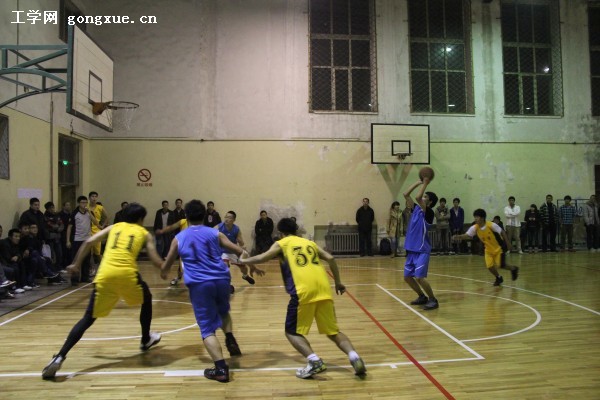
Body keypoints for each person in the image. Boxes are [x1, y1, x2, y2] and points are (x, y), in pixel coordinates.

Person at [41, 203, 164, 380]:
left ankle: (60, 356)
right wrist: (165, 265)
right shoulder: (144, 233)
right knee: (147, 299)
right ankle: (145, 339)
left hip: (105, 274)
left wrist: (76, 264)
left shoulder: (115, 227)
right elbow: (155, 260)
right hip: (127, 274)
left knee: (88, 318)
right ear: (140, 219)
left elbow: (89, 242)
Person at [239, 218, 366, 379]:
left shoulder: (282, 243)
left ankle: (314, 361)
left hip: (303, 291)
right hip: (324, 289)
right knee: (333, 332)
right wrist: (338, 282)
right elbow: (331, 258)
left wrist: (243, 260)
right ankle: (355, 357)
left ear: (281, 232)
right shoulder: (309, 243)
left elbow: (263, 257)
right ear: (296, 230)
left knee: (291, 332)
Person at [160, 200, 261, 383]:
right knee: (223, 312)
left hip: (200, 284)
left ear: (186, 216)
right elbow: (241, 252)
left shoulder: (179, 238)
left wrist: (163, 270)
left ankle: (220, 369)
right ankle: (229, 337)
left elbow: (166, 268)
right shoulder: (215, 233)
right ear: (204, 215)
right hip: (222, 280)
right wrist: (252, 266)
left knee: (207, 328)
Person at [452, 209, 519, 286]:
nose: (475, 219)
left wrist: (508, 243)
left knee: (501, 265)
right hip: (488, 250)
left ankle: (514, 269)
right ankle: (498, 277)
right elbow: (467, 235)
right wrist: (458, 236)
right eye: (475, 217)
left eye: (477, 217)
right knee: (489, 266)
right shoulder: (475, 227)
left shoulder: (491, 225)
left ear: (482, 218)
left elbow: (502, 232)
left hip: (499, 248)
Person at [402, 179, 439, 310]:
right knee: (407, 277)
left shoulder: (428, 212)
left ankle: (433, 299)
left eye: (425, 197)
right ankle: (422, 296)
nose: (422, 197)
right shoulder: (416, 209)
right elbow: (406, 194)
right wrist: (418, 182)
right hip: (412, 249)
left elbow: (417, 197)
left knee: (419, 277)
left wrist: (425, 183)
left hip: (422, 250)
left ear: (430, 202)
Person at [217, 211, 256, 290]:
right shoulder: (219, 227)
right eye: (226, 217)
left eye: (229, 217)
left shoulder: (236, 229)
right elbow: (210, 234)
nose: (226, 219)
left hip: (233, 252)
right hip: (222, 252)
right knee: (225, 266)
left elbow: (241, 242)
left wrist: (241, 244)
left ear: (233, 220)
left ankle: (245, 276)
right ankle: (229, 284)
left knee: (244, 268)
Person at [67, 196, 93, 284]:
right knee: (76, 259)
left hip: (87, 239)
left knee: (86, 259)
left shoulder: (89, 212)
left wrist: (89, 212)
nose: (84, 204)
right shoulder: (74, 213)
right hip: (77, 239)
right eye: (82, 202)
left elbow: (95, 222)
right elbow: (69, 227)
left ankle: (85, 277)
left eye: (86, 202)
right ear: (78, 203)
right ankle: (74, 279)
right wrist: (68, 240)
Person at [87, 192, 109, 268]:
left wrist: (102, 226)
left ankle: (103, 267)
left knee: (98, 252)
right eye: (92, 196)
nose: (94, 198)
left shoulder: (100, 207)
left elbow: (107, 217)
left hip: (96, 231)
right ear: (89, 198)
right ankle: (91, 268)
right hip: (87, 230)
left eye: (95, 196)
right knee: (89, 252)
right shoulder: (86, 207)